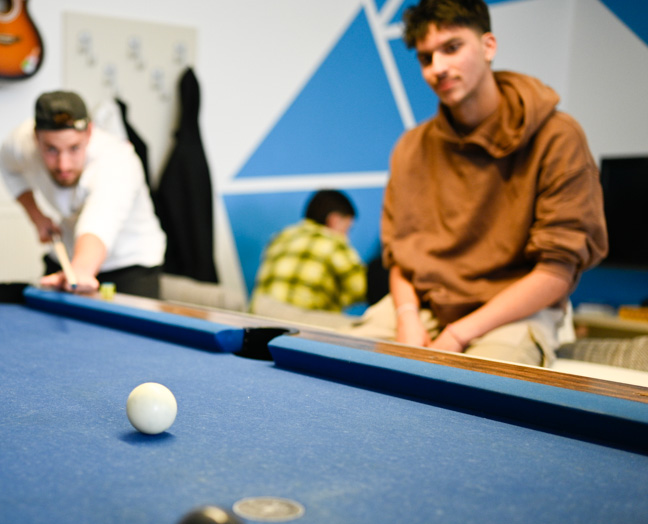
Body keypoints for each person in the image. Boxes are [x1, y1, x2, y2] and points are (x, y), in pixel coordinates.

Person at [350, 0, 607, 366]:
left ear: (488, 46)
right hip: (423, 304)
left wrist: (458, 334)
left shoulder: (558, 137)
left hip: (514, 312)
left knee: (471, 387)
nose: (438, 68)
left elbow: (556, 273)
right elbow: (400, 260)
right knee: (347, 362)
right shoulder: (410, 148)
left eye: (452, 47)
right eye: (426, 58)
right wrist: (406, 317)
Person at [0, 90, 166, 297]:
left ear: (89, 133)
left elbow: (99, 223)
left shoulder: (117, 161)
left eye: (74, 148)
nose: (63, 164)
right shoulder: (21, 142)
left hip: (129, 264)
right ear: (36, 137)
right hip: (68, 258)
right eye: (51, 149)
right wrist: (37, 217)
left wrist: (80, 271)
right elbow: (7, 168)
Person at [250, 190, 366, 318]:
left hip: (259, 320)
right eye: (348, 228)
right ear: (334, 220)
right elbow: (361, 289)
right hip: (302, 325)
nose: (347, 235)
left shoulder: (281, 236)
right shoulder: (334, 243)